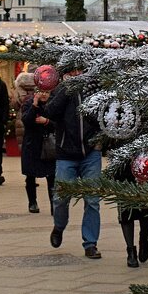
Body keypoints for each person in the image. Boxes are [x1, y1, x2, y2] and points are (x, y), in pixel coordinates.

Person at [43, 74, 102, 259]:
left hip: (91, 153)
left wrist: (101, 141)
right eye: (73, 69)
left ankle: (90, 243)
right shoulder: (61, 88)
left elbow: (106, 113)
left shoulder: (95, 86)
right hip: (66, 153)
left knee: (92, 200)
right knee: (61, 197)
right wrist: (66, 89)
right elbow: (50, 112)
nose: (77, 73)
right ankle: (59, 226)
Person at [15, 72, 54, 214]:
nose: (44, 94)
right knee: (30, 176)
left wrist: (47, 121)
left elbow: (59, 124)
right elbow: (26, 120)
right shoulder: (28, 103)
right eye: (41, 91)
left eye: (46, 92)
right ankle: (32, 202)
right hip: (32, 145)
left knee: (52, 177)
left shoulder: (53, 104)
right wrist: (35, 105)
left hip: (49, 146)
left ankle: (53, 205)